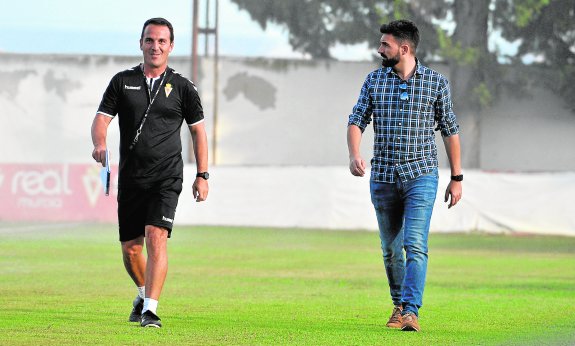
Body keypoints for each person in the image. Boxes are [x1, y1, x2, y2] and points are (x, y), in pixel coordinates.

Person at [90, 17, 209, 328]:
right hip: (131, 178)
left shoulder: (183, 87)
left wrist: (203, 175)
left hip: (167, 177)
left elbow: (198, 132)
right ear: (141, 43)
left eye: (161, 41)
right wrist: (99, 143)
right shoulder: (121, 81)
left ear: (170, 46)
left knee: (157, 237)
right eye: (149, 40)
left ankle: (150, 310)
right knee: (131, 251)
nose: (155, 46)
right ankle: (143, 294)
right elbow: (101, 120)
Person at [347, 19, 462, 332]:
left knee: (415, 242)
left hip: (421, 175)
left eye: (385, 44)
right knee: (390, 248)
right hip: (383, 176)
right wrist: (354, 154)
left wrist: (457, 177)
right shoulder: (374, 81)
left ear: (404, 48)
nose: (380, 48)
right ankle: (398, 305)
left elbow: (450, 131)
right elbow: (357, 120)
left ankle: (411, 311)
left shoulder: (436, 83)